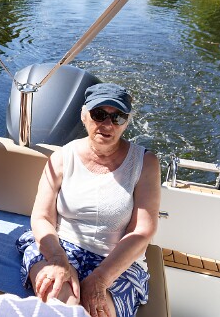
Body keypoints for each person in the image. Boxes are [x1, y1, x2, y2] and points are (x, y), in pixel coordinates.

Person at [17, 83, 161, 317]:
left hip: (117, 260)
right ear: (84, 116)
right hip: (59, 247)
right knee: (63, 309)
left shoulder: (145, 163)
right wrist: (57, 259)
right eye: (99, 114)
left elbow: (142, 230)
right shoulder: (62, 157)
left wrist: (101, 278)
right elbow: (41, 217)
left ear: (127, 122)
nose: (107, 124)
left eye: (117, 117)